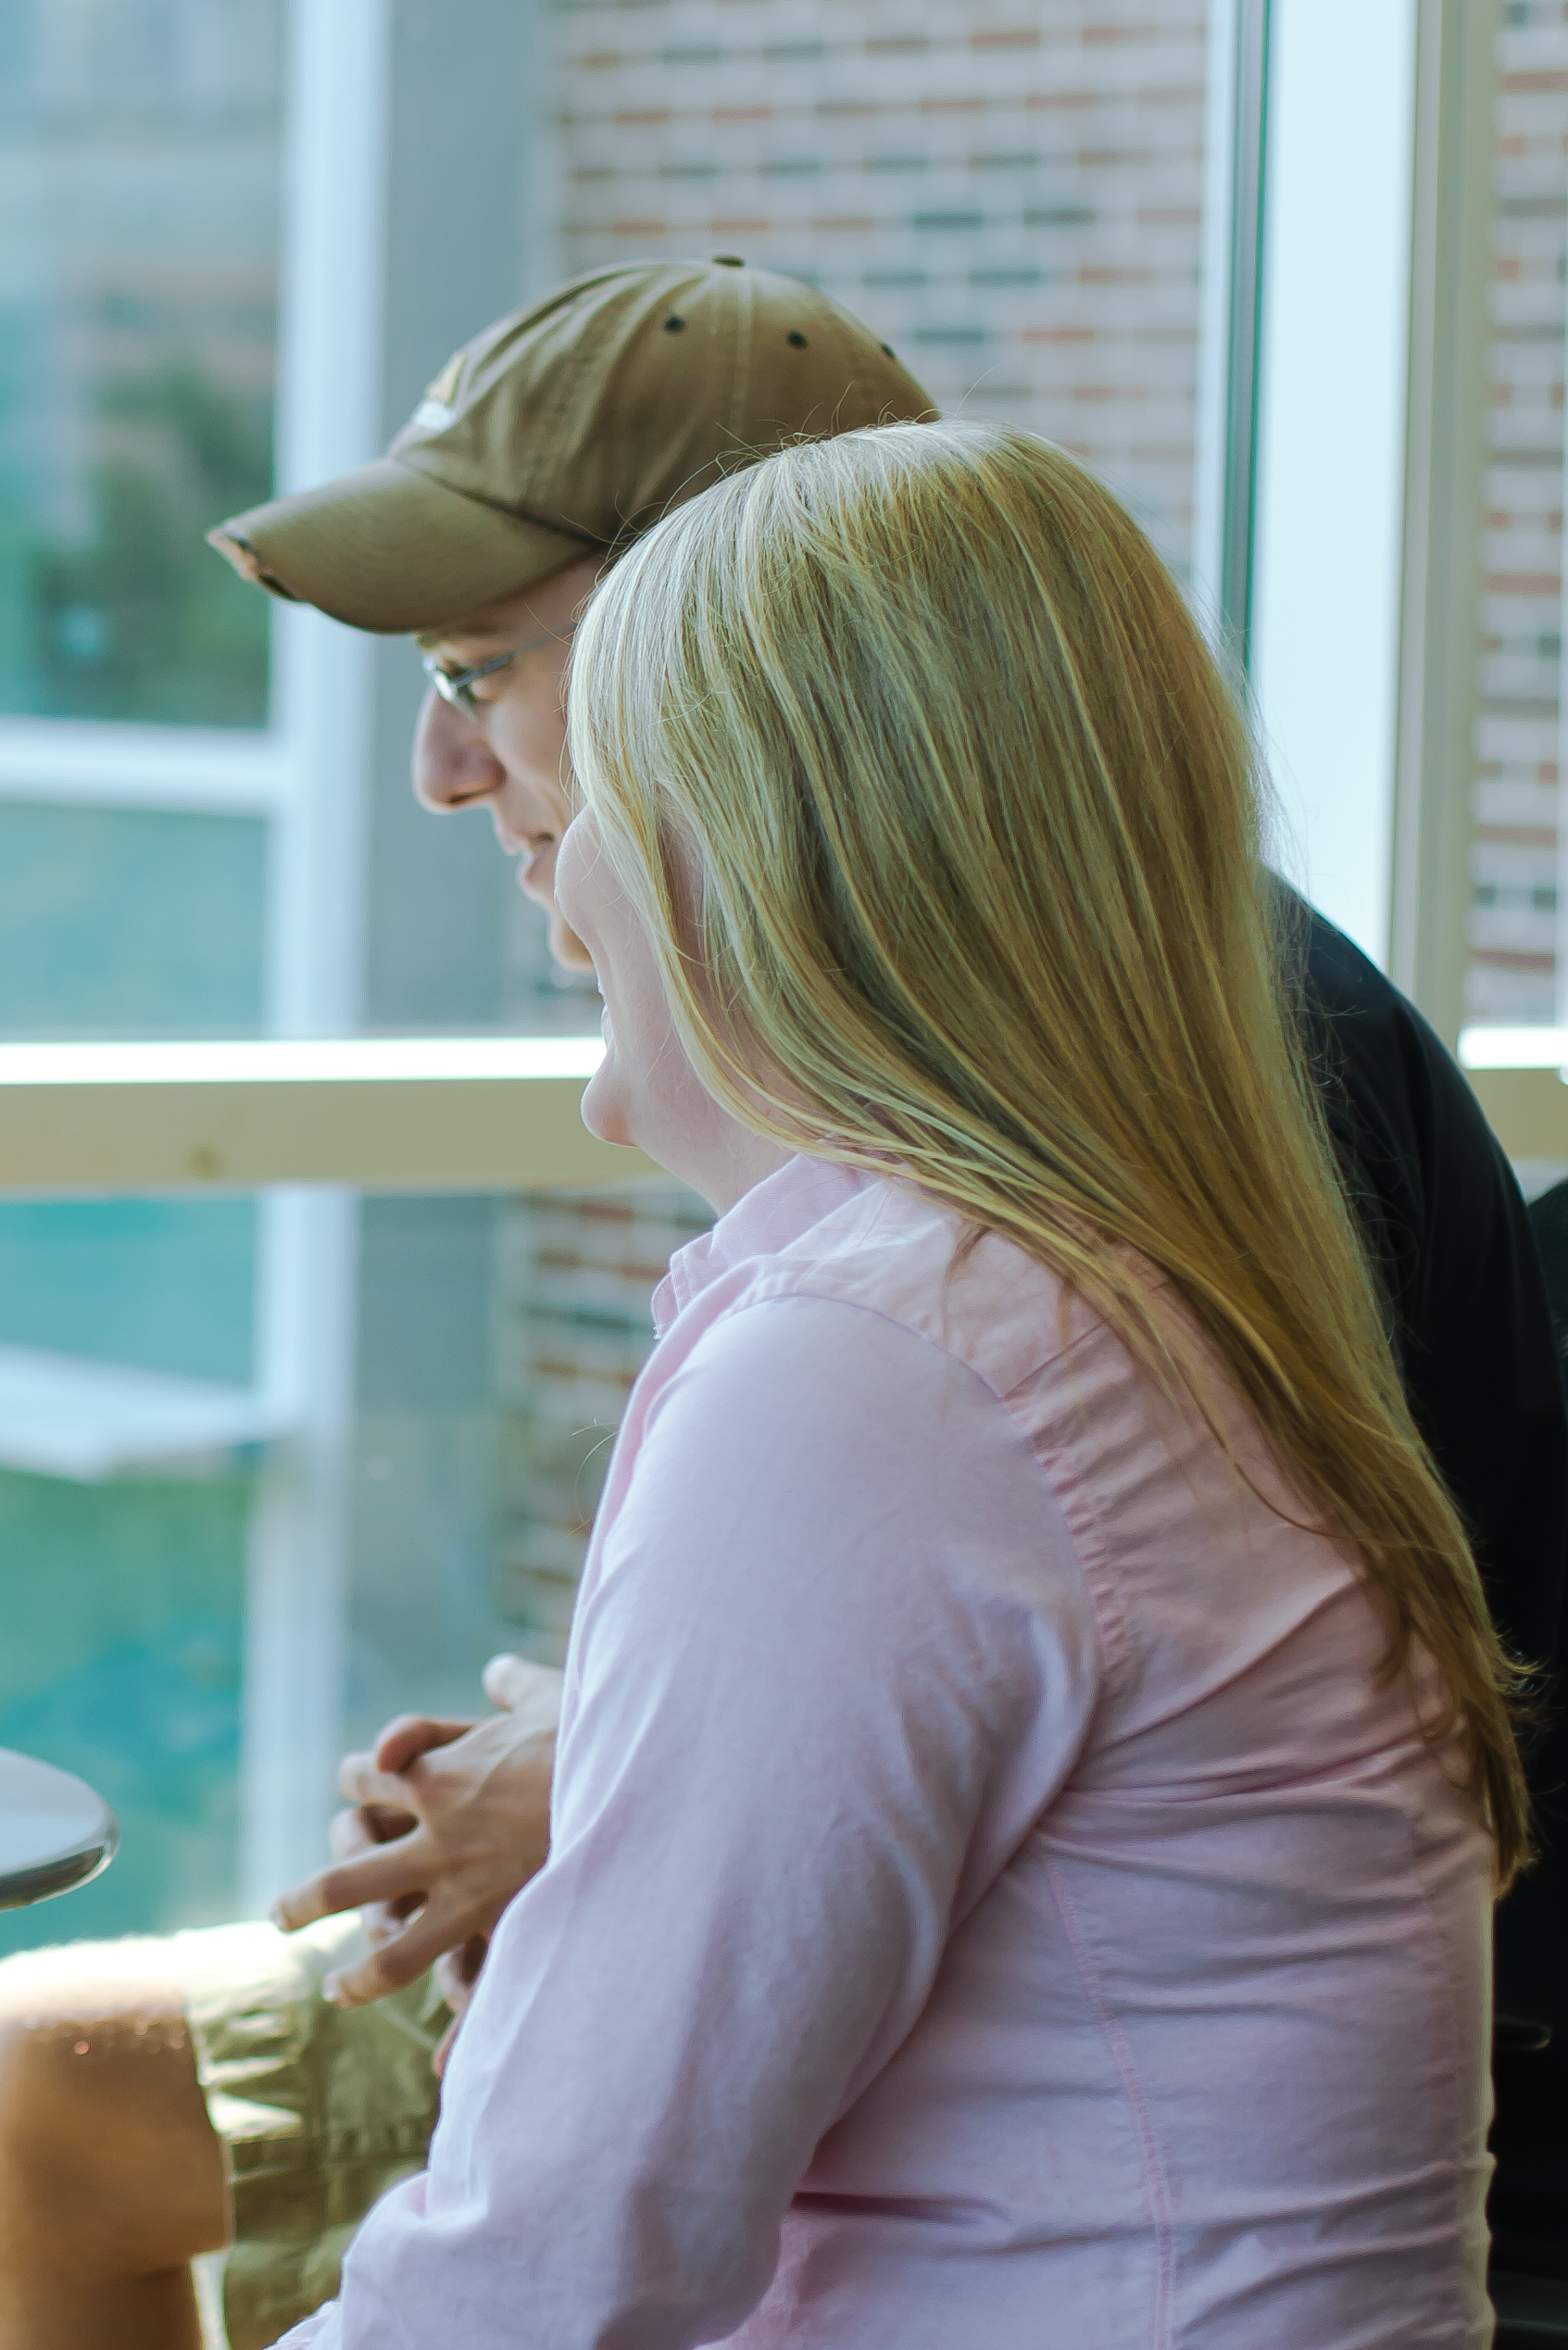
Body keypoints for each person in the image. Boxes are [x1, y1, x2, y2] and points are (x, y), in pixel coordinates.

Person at [0, 258, 1568, 2350]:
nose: (492, 801)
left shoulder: (899, 1362)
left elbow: (549, 2274)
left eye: (534, 694)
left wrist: (611, 1797)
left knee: (65, 2084)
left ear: (795, 781)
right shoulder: (1072, 1236)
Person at [318, 413, 1505, 2339]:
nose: (555, 867)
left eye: (602, 783)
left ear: (761, 847)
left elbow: (551, 2269)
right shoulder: (1107, 1292)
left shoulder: (887, 1372)